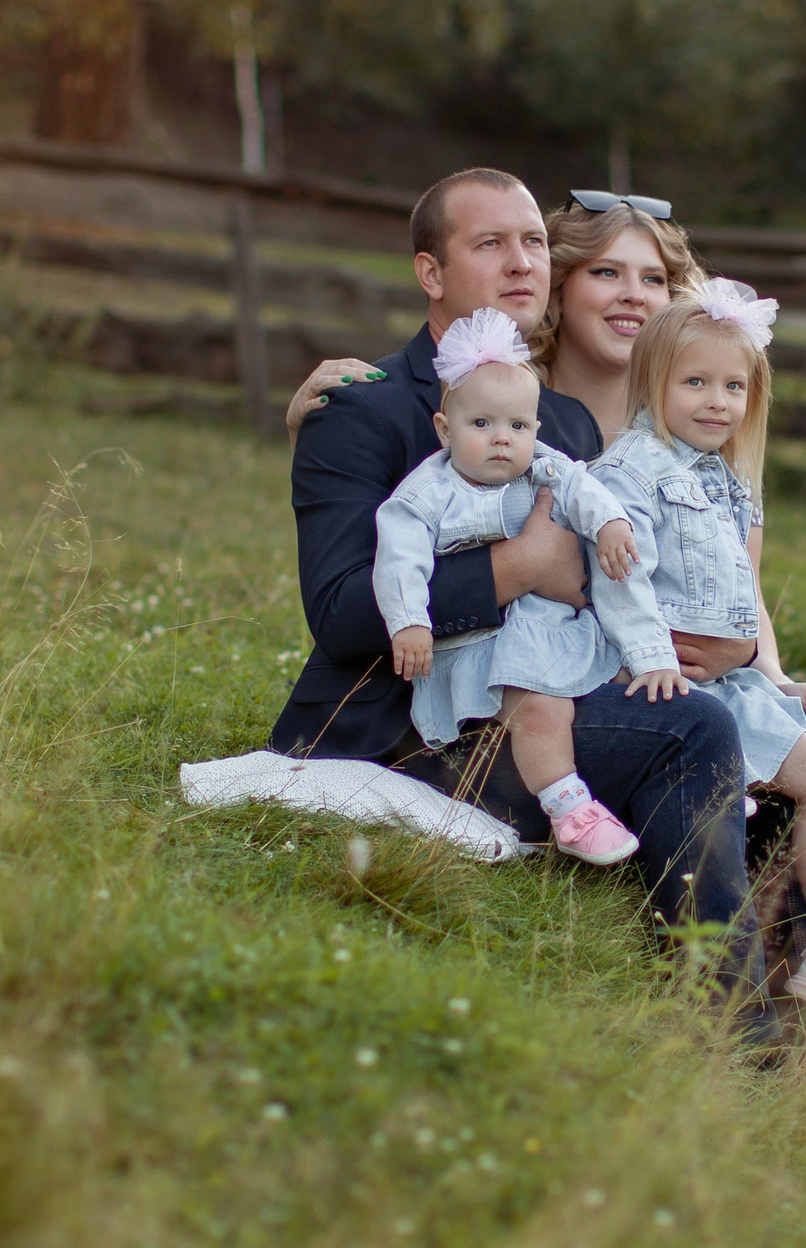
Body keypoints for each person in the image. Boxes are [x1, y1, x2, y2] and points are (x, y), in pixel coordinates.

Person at [269, 169, 768, 1024]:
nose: (522, 262)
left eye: (534, 241)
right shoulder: (363, 409)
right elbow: (345, 612)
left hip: (544, 683)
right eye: (490, 243)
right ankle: (735, 1024)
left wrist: (747, 654)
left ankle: (779, 977)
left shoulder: (561, 421)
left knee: (730, 718)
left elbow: (613, 566)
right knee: (693, 728)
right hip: (410, 718)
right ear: (432, 273)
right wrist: (523, 565)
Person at [593, 284, 806, 1031]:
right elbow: (617, 577)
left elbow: (747, 596)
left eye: (733, 386)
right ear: (652, 383)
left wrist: (778, 677)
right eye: (695, 383)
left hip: (734, 683)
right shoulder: (629, 474)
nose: (717, 401)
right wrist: (651, 655)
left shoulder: (729, 484)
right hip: (662, 681)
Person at [373, 307, 639, 866]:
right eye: (482, 425)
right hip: (484, 649)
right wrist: (410, 623)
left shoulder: (543, 467)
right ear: (445, 429)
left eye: (517, 427)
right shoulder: (428, 493)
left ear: (535, 431)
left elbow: (582, 489)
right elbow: (400, 563)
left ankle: (725, 780)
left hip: (551, 629)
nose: (502, 440)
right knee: (541, 709)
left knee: (631, 666)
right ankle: (569, 811)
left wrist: (611, 523)